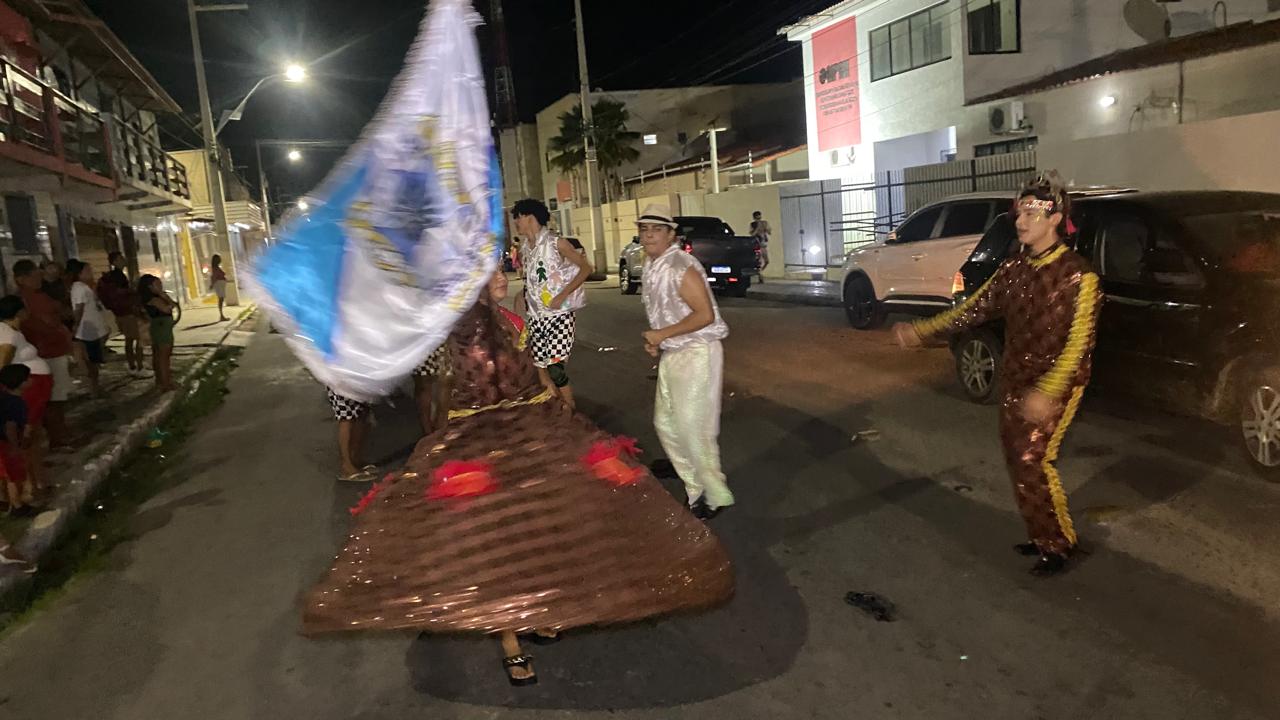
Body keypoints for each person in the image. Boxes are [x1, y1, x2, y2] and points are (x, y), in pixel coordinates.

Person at [302, 268, 733, 687]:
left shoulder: (512, 321)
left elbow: (538, 376)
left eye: (499, 271)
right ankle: (510, 639)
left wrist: (560, 414)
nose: (501, 278)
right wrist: (443, 441)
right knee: (496, 540)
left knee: (537, 531)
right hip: (477, 446)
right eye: (490, 274)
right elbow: (441, 396)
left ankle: (537, 611)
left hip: (529, 437)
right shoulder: (454, 333)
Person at [892, 172, 1103, 577]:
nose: (1020, 221)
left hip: (1056, 383)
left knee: (1032, 459)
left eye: (1030, 214)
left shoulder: (1079, 276)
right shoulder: (1013, 269)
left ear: (1055, 218)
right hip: (1015, 376)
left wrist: (1049, 390)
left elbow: (1079, 345)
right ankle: (1043, 533)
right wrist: (921, 331)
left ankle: (1057, 545)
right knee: (1017, 459)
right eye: (1019, 213)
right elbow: (971, 309)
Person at [637, 204, 735, 520]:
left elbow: (705, 315)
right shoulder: (652, 264)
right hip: (676, 351)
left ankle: (714, 495)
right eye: (644, 229)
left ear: (671, 235)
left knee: (695, 429)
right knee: (665, 422)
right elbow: (665, 312)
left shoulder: (680, 266)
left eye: (657, 229)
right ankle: (690, 475)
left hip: (698, 353)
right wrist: (660, 340)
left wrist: (662, 334)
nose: (649, 235)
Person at [511, 198, 592, 410]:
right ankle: (557, 407)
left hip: (559, 316)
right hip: (536, 317)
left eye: (518, 218)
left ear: (530, 217)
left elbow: (586, 269)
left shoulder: (556, 243)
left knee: (555, 367)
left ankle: (570, 406)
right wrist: (522, 298)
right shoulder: (526, 249)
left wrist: (563, 295)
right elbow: (534, 282)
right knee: (540, 367)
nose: (516, 223)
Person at [13, 260, 73, 451]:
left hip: (54, 351)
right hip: (45, 353)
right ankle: (57, 438)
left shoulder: (42, 294)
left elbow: (60, 313)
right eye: (34, 276)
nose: (39, 279)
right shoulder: (22, 301)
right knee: (51, 400)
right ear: (21, 279)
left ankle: (59, 434)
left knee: (57, 398)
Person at [0, 296, 52, 495]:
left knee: (33, 435)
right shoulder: (7, 334)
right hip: (27, 389)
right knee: (27, 436)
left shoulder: (12, 331)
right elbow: (2, 364)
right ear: (19, 312)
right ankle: (30, 486)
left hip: (32, 387)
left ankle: (37, 481)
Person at [98, 251, 144, 375]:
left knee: (129, 340)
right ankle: (138, 367)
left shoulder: (113, 276)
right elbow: (123, 293)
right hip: (127, 312)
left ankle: (133, 365)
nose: (123, 260)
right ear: (115, 262)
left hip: (120, 313)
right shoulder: (118, 276)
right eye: (120, 258)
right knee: (138, 339)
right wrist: (132, 291)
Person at [68, 260, 108, 397]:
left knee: (93, 360)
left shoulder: (85, 287)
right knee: (91, 361)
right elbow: (79, 308)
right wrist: (76, 324)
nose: (91, 273)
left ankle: (95, 387)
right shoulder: (79, 288)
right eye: (87, 271)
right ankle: (93, 389)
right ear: (79, 274)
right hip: (88, 331)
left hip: (92, 329)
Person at [0, 363, 35, 517]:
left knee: (5, 474)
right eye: (28, 378)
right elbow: (11, 426)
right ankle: (17, 506)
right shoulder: (16, 403)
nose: (31, 380)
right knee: (13, 477)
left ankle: (4, 501)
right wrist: (14, 447)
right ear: (21, 382)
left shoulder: (3, 398)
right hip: (6, 444)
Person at [138, 274, 179, 393]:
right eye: (157, 284)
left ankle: (160, 381)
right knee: (163, 357)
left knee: (158, 354)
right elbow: (168, 308)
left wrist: (163, 295)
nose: (160, 286)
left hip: (161, 327)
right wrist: (163, 296)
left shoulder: (156, 297)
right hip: (161, 327)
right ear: (150, 287)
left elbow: (174, 304)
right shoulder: (153, 299)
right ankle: (166, 383)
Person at [750, 210, 771, 281]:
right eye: (757, 218)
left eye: (759, 218)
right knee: (759, 261)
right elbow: (752, 234)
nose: (759, 220)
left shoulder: (764, 223)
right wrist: (757, 228)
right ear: (754, 218)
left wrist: (766, 228)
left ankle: (760, 272)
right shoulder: (753, 225)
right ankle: (760, 276)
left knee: (767, 261)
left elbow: (769, 232)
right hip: (757, 244)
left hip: (763, 244)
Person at [210, 254, 229, 322]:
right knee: (221, 300)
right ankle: (221, 316)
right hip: (219, 285)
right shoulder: (215, 268)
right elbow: (214, 277)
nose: (220, 260)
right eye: (219, 258)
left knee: (221, 299)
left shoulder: (216, 267)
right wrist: (212, 284)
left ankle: (222, 315)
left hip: (220, 285)